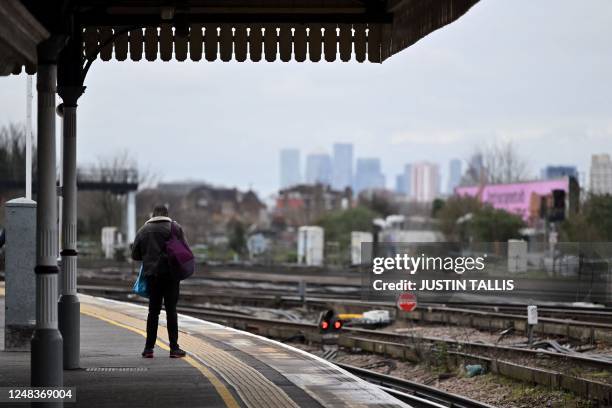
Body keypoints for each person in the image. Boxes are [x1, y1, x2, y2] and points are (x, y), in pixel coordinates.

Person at [131, 205, 187, 358]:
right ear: (167, 215)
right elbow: (184, 251)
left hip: (152, 277)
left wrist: (149, 255)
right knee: (171, 312)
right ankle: (174, 349)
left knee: (153, 312)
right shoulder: (175, 228)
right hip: (171, 277)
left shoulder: (143, 230)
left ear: (153, 215)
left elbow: (135, 255)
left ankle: (148, 349)